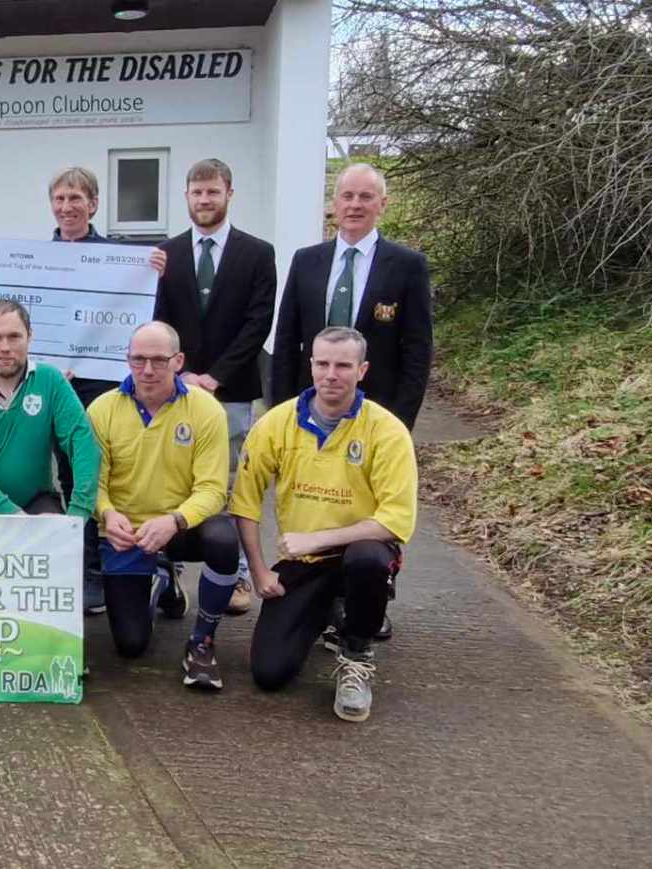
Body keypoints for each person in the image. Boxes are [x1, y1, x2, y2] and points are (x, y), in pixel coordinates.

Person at [234, 327, 418, 722]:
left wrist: (318, 537)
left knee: (367, 560)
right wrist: (260, 569)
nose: (331, 374)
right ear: (311, 364)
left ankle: (356, 654)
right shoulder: (276, 423)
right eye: (323, 363)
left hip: (360, 552)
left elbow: (395, 521)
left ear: (362, 370)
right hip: (304, 562)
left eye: (343, 365)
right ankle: (331, 610)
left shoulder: (387, 431)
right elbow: (244, 502)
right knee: (269, 673)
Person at [154, 158, 278, 615]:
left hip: (232, 392)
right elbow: (157, 317)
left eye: (213, 192)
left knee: (229, 486)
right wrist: (179, 373)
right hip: (173, 388)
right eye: (196, 192)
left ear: (229, 193)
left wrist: (215, 375)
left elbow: (258, 321)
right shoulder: (166, 254)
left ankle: (238, 575)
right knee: (169, 482)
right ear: (186, 196)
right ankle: (167, 576)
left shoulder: (258, 252)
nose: (204, 200)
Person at [88, 322, 240, 690]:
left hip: (180, 527)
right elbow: (93, 485)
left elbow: (213, 489)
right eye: (138, 359)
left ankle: (202, 640)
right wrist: (107, 513)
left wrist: (175, 520)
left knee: (223, 537)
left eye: (159, 360)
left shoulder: (206, 410)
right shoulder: (102, 409)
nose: (148, 370)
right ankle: (162, 579)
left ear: (178, 361)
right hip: (125, 534)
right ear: (127, 359)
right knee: (130, 646)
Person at [46, 166, 168, 616]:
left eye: (76, 198)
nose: (67, 207)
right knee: (69, 478)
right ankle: (84, 566)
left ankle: (115, 565)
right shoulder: (35, 257)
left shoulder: (121, 258)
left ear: (93, 204)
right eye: (59, 199)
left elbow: (150, 313)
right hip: (58, 388)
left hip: (105, 386)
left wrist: (156, 273)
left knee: (107, 475)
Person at [270, 163, 433, 430]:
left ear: (382, 204)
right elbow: (286, 340)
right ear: (334, 203)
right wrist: (282, 411)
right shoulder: (306, 261)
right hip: (309, 408)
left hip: (377, 411)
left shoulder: (407, 266)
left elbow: (418, 350)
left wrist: (400, 421)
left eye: (365, 197)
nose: (355, 205)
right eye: (347, 196)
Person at [0, 298, 99, 519]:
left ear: (30, 335)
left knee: (57, 543)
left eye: (14, 336)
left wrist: (77, 515)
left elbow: (82, 443)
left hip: (38, 502)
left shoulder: (51, 380)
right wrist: (16, 518)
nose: (5, 347)